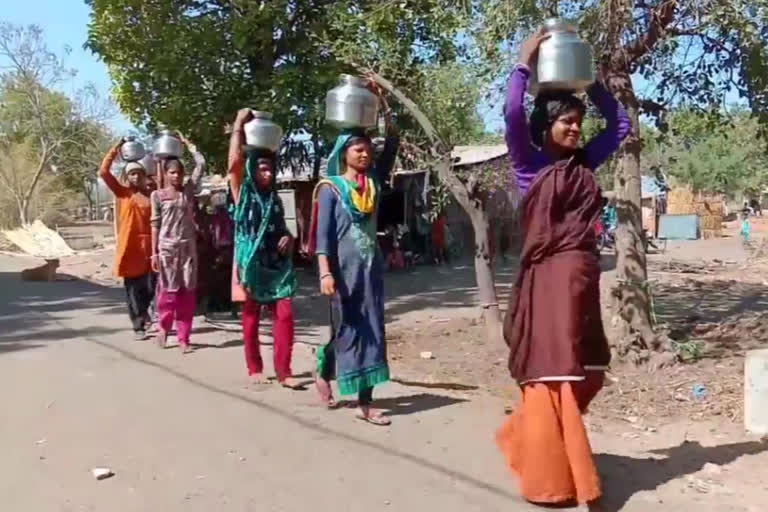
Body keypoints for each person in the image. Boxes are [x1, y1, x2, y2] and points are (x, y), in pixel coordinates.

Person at [496, 29, 631, 509]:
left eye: (577, 121)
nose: (574, 129)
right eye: (565, 122)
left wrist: (590, 82)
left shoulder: (585, 162)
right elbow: (512, 113)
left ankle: (526, 436)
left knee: (587, 370)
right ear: (545, 127)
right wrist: (524, 63)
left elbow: (619, 127)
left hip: (582, 280)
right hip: (547, 280)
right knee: (555, 373)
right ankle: (555, 479)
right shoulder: (530, 165)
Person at [309, 84, 400, 425]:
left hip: (370, 270)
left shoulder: (373, 183)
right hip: (342, 272)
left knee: (372, 329)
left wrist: (386, 107)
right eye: (358, 150)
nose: (364, 155)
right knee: (348, 330)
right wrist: (325, 272)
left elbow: (392, 143)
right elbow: (323, 237)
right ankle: (325, 366)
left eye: (367, 150)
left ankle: (366, 402)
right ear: (344, 153)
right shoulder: (332, 189)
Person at [228, 109, 299, 387]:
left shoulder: (276, 200)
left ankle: (284, 371)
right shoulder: (241, 193)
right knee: (251, 318)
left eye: (271, 168)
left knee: (285, 314)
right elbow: (234, 163)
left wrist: (289, 238)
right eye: (262, 168)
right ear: (253, 169)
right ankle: (254, 367)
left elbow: (282, 229)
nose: (268, 174)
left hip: (277, 265)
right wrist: (238, 125)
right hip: (251, 265)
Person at [150, 134, 206, 353]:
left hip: (188, 249)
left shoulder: (188, 192)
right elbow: (154, 224)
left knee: (188, 293)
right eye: (172, 172)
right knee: (168, 293)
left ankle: (184, 338)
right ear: (165, 174)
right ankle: (163, 328)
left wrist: (188, 144)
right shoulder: (158, 195)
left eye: (180, 172)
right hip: (166, 249)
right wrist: (154, 253)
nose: (177, 176)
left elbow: (201, 164)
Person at [99, 141, 155, 341]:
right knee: (132, 290)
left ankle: (145, 310)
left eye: (138, 174)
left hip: (149, 249)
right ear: (127, 177)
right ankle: (138, 326)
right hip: (130, 249)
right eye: (131, 174)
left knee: (151, 287)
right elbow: (104, 173)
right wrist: (115, 148)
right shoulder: (122, 193)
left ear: (143, 176)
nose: (135, 177)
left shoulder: (152, 195)